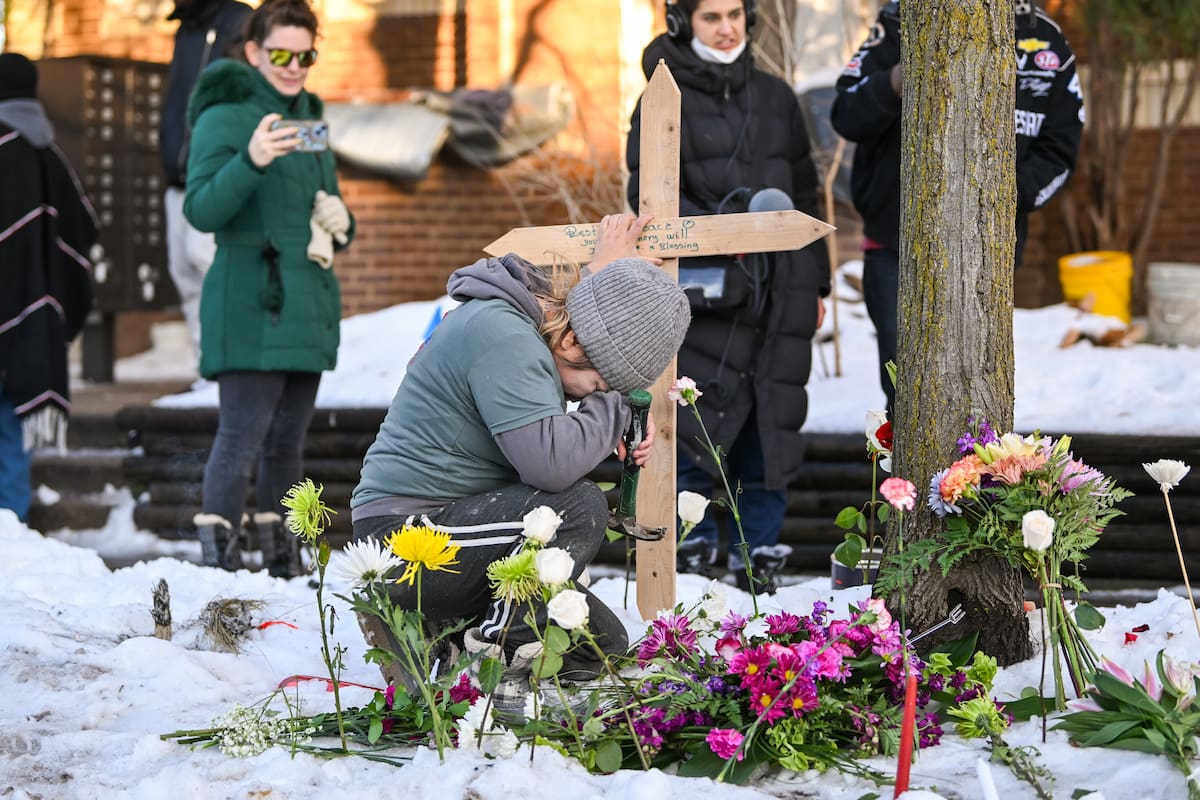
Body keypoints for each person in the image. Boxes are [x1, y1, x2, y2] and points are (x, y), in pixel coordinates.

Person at [350, 213, 691, 685]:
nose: (595, 395)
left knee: (599, 646)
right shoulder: (504, 335)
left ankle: (452, 634)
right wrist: (613, 406)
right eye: (597, 384)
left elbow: (568, 363)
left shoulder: (531, 333)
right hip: (403, 541)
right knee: (577, 506)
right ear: (571, 339)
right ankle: (489, 651)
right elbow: (549, 467)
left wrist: (614, 395)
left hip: (461, 526)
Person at [626, 0, 831, 594]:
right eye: (712, 15)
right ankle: (690, 562)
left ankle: (757, 558)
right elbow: (652, 203)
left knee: (771, 427)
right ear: (683, 21)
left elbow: (806, 190)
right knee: (692, 424)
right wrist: (728, 232)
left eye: (735, 13)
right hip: (705, 297)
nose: (727, 26)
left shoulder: (776, 97)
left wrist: (814, 281)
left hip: (781, 293)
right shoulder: (660, 100)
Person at [831, 0, 1084, 414]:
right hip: (896, 247)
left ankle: (978, 479)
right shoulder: (902, 18)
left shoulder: (1047, 40)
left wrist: (1002, 195)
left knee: (978, 394)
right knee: (909, 399)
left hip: (989, 249)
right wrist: (896, 79)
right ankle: (903, 481)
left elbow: (1061, 149)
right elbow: (845, 114)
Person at [184, 0, 355, 576]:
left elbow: (323, 207)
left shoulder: (309, 120)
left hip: (305, 298)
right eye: (280, 53)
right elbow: (202, 208)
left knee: (288, 444)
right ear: (254, 51)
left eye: (305, 54)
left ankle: (285, 568)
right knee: (240, 437)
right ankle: (218, 576)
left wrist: (340, 221)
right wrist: (251, 160)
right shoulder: (225, 116)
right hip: (249, 298)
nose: (293, 66)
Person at [0, 53, 97, 524]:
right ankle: (10, 532)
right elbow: (81, 235)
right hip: (33, 326)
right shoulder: (49, 154)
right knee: (13, 436)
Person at [160, 0, 253, 365]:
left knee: (210, 265)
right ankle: (207, 368)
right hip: (177, 176)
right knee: (182, 274)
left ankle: (229, 366)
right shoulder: (185, 28)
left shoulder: (238, 20)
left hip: (215, 173)